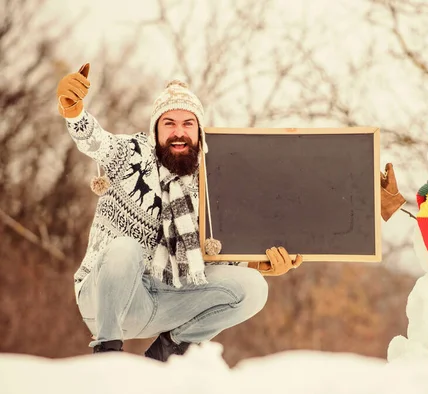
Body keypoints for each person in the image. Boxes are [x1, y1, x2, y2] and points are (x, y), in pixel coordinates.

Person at [56, 64, 306, 361]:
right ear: (155, 130)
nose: (179, 132)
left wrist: (258, 266)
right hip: (106, 298)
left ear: (199, 132)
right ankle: (107, 355)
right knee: (124, 248)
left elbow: (221, 253)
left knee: (254, 288)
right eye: (169, 123)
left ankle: (167, 353)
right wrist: (72, 110)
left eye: (188, 124)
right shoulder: (130, 154)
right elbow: (95, 141)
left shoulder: (212, 186)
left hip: (165, 298)